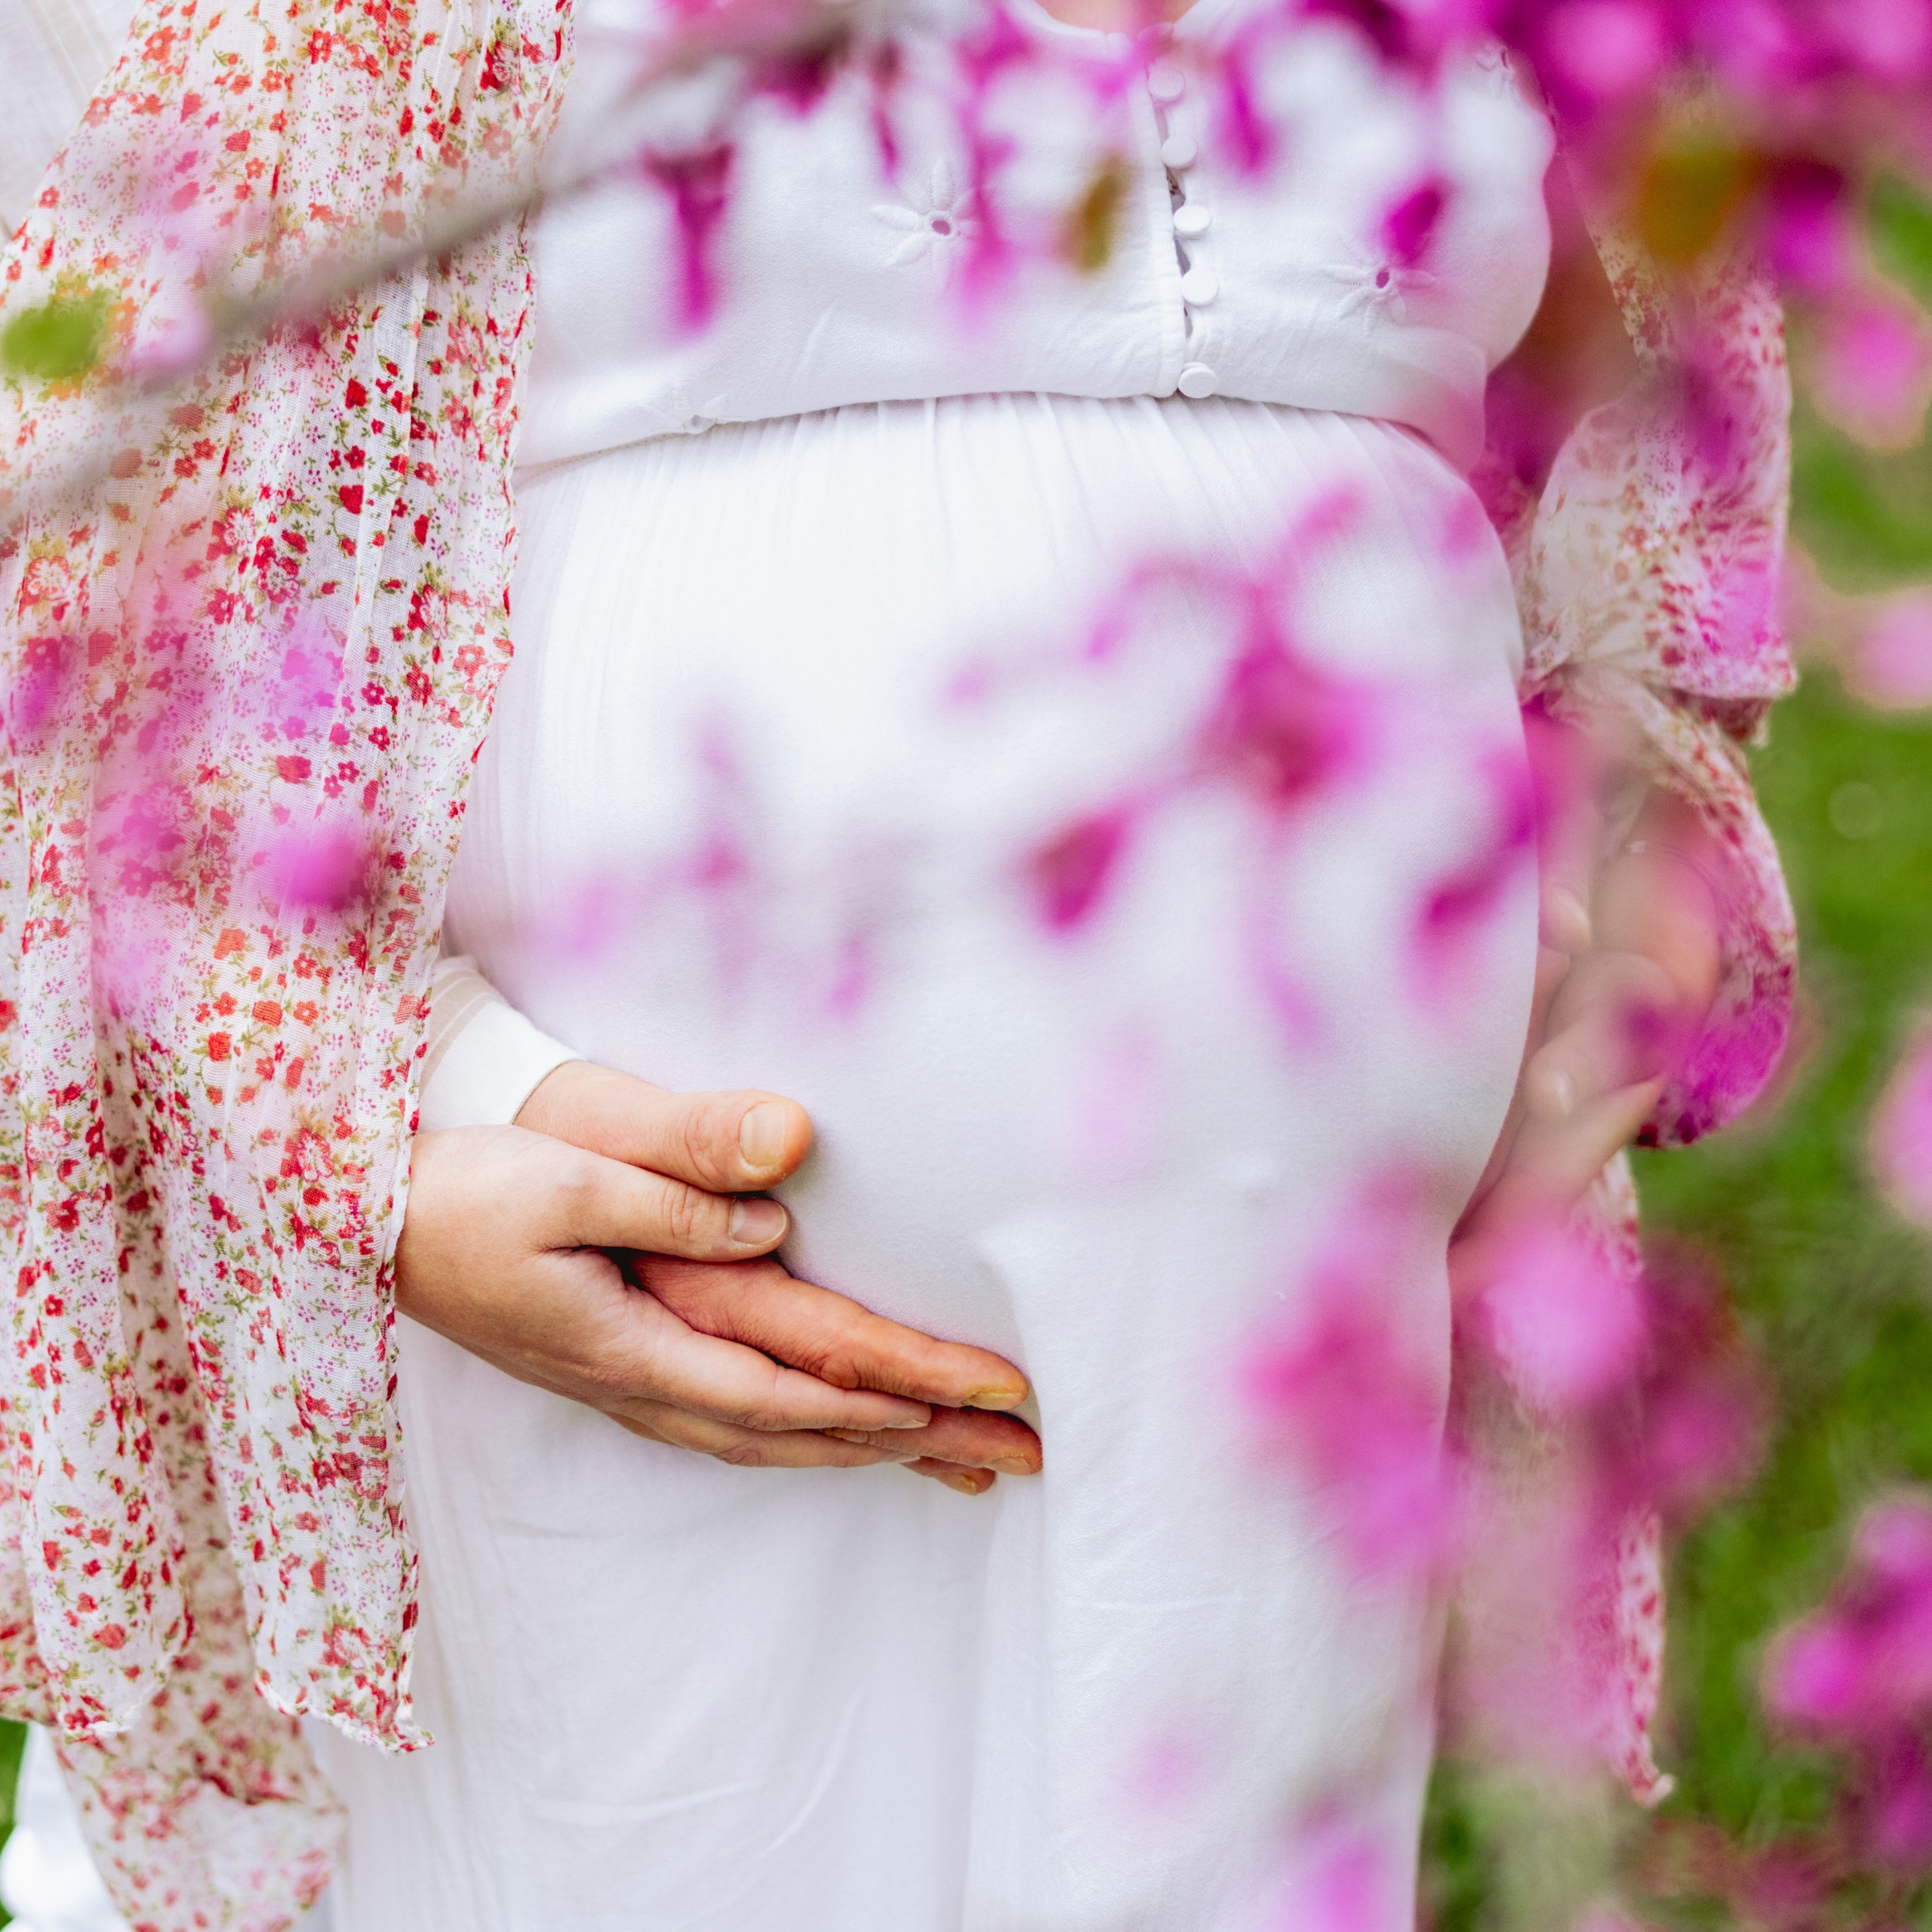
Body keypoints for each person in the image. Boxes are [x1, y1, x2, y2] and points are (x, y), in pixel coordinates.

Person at [0, 0, 1794, 1924]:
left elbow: (1640, 423)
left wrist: (1637, 815)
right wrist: (405, 1125)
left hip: (1281, 1332)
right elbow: (93, 533)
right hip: (609, 1257)